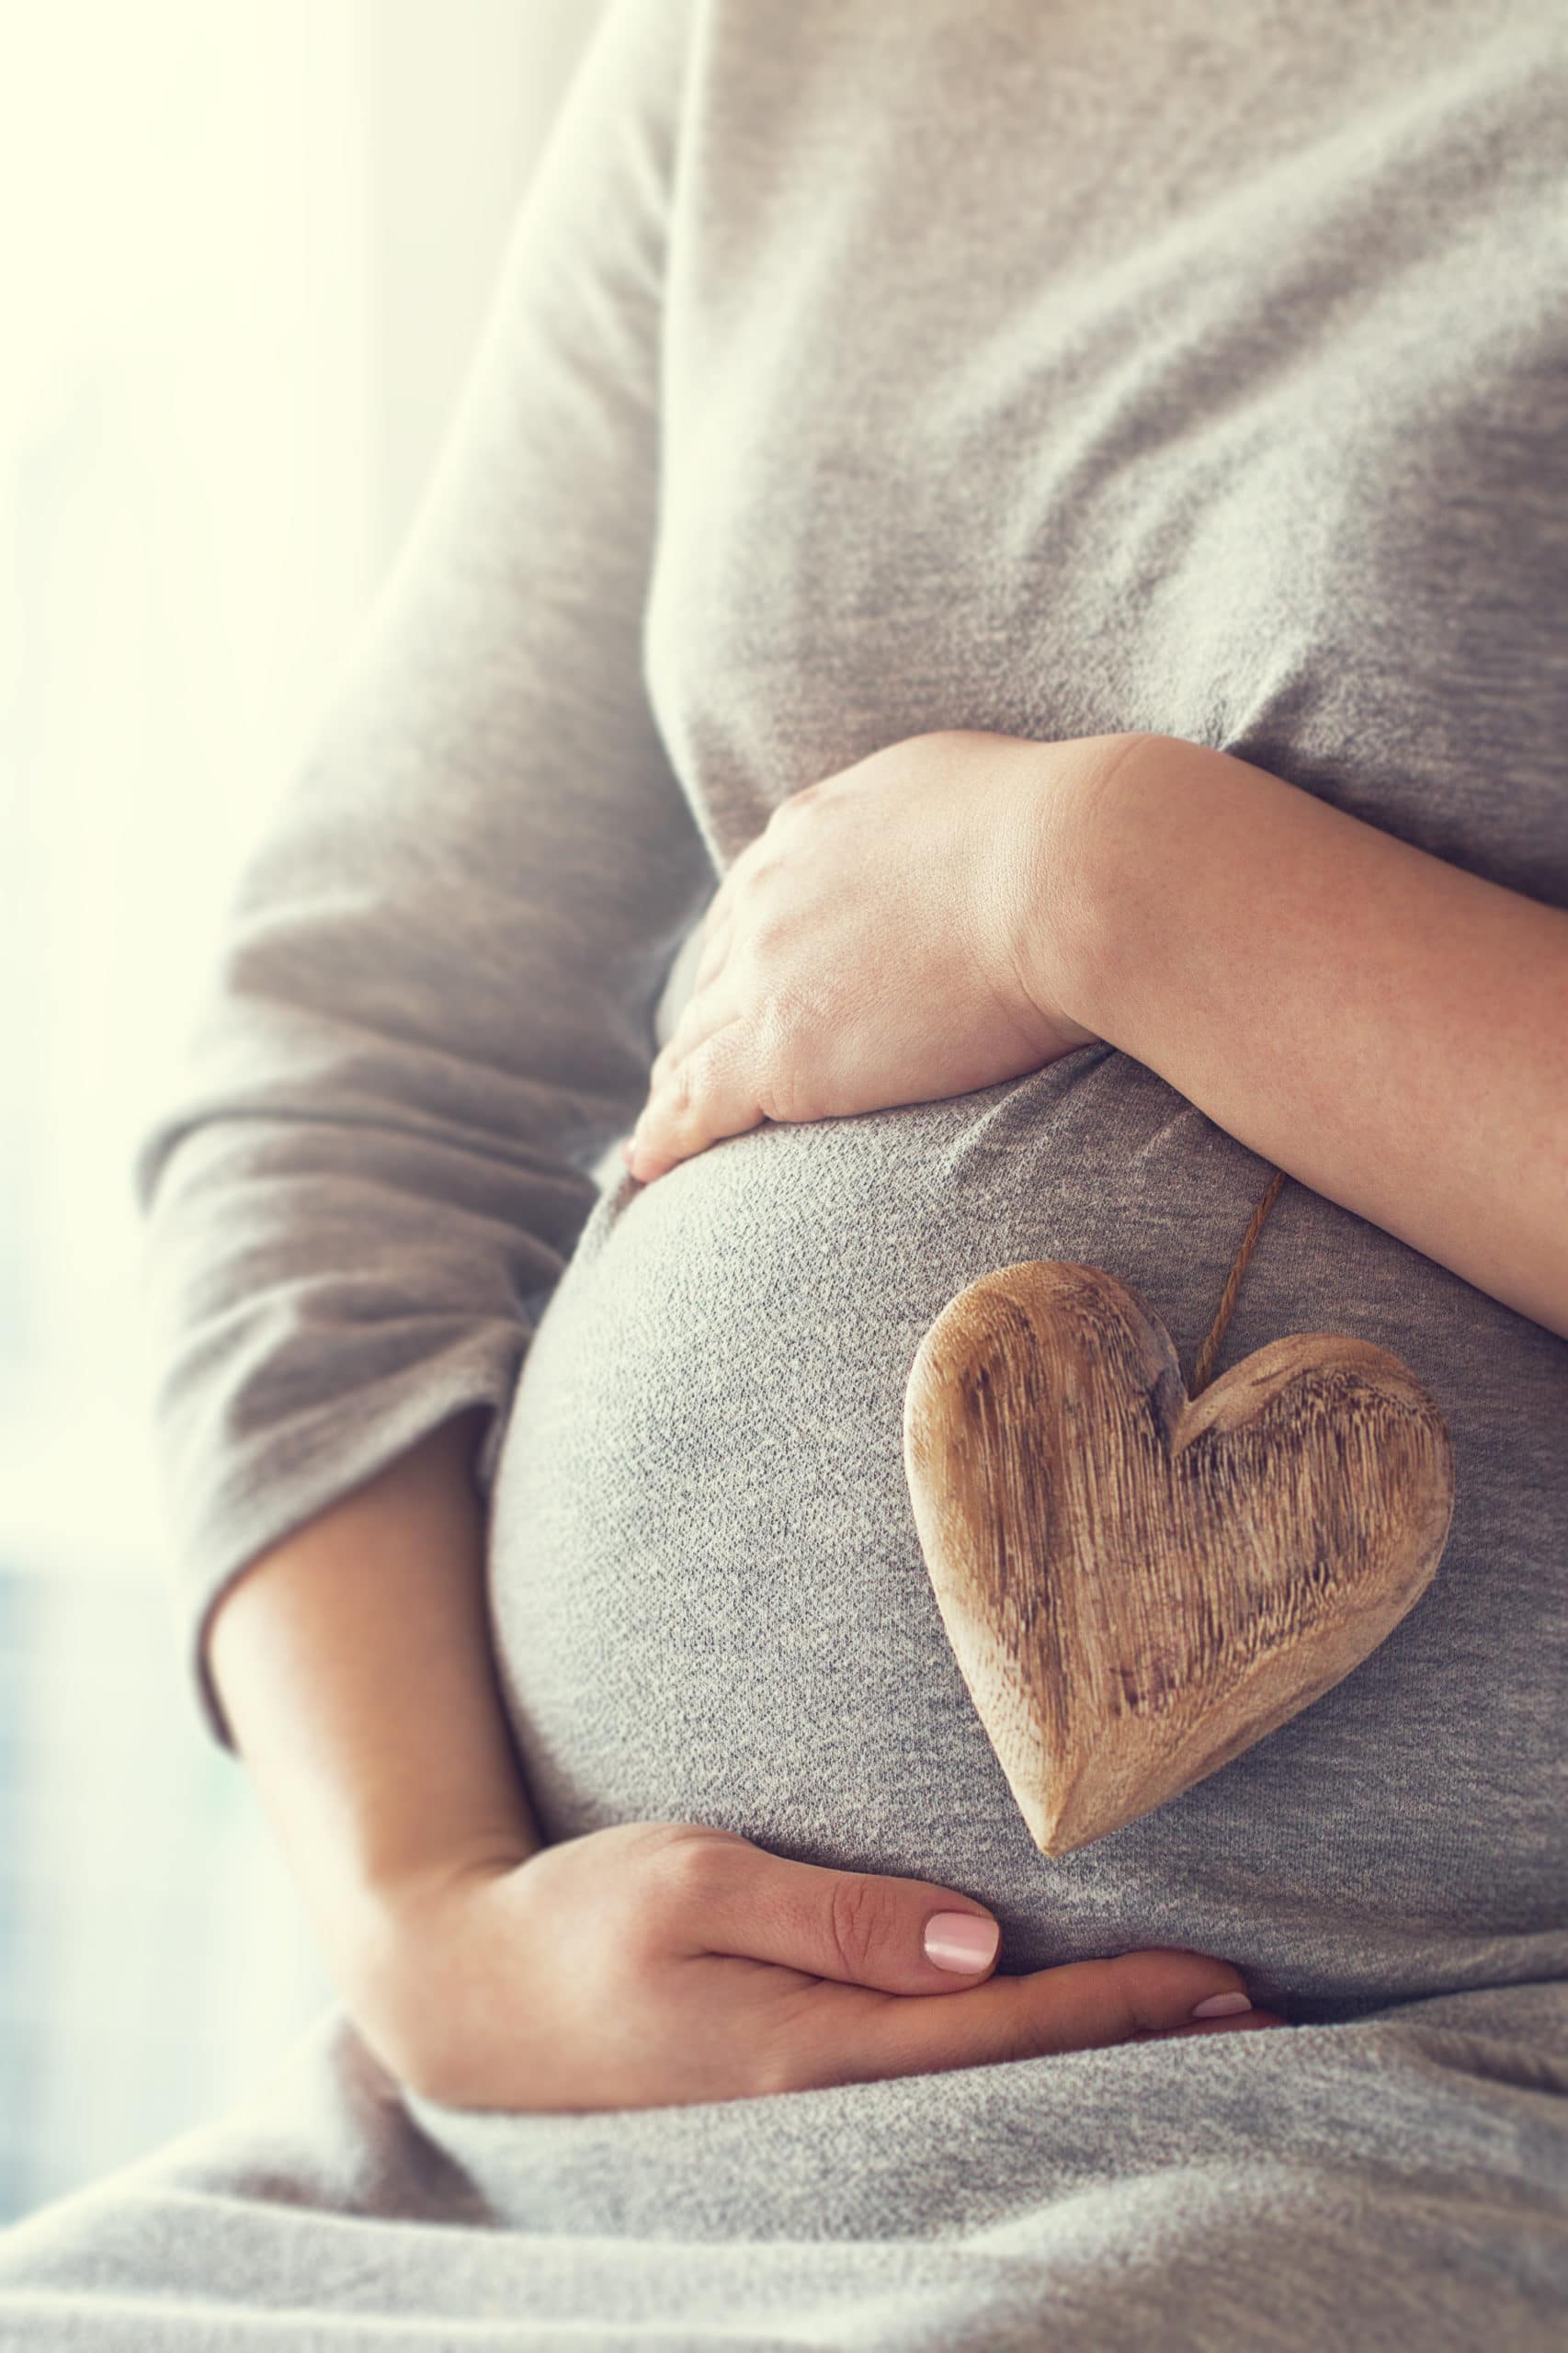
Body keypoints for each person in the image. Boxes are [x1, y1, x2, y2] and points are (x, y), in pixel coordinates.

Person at [3, 0, 1566, 2342]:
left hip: (1400, 2126)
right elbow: (356, 1070)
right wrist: (427, 1923)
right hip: (508, 2163)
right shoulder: (767, 49)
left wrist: (1097, 883)